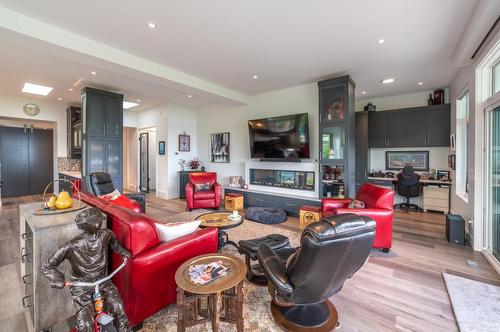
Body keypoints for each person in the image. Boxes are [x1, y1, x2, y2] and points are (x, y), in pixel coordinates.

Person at [42, 207, 132, 332]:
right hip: (81, 288)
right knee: (85, 324)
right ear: (84, 225)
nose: (97, 223)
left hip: (103, 281)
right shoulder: (71, 246)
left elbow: (113, 242)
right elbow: (47, 266)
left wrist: (121, 251)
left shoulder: (105, 234)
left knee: (118, 307)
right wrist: (59, 279)